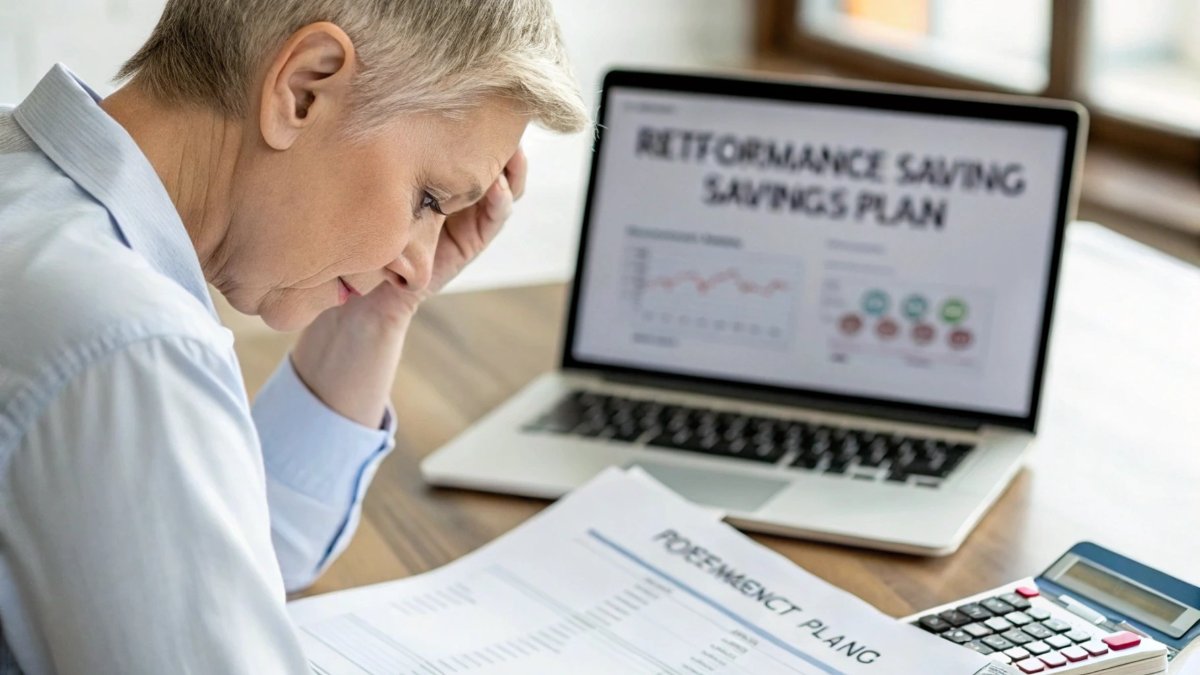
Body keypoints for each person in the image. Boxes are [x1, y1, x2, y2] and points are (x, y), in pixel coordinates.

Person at [0, 0, 588, 672]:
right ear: (304, 88)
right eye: (429, 198)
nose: (421, 262)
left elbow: (216, 556)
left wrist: (377, 307)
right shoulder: (128, 347)